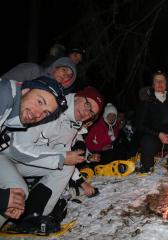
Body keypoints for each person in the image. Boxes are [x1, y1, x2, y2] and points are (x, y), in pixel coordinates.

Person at [6, 86, 104, 232]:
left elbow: (65, 156)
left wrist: (82, 182)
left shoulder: (72, 126)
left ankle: (35, 216)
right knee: (18, 194)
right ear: (77, 96)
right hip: (8, 156)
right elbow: (19, 147)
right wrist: (63, 157)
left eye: (92, 113)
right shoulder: (51, 106)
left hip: (24, 162)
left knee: (66, 166)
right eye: (88, 105)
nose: (87, 113)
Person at [0, 76, 67, 228]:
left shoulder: (11, 116)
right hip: (10, 157)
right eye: (39, 101)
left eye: (45, 113)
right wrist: (2, 199)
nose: (37, 114)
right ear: (26, 89)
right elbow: (20, 149)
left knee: (18, 193)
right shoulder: (3, 95)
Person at [137, 71, 168, 174]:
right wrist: (159, 134)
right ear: (153, 85)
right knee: (146, 140)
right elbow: (140, 125)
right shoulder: (147, 101)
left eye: (162, 81)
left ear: (166, 84)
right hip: (154, 137)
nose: (160, 83)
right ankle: (147, 166)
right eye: (157, 81)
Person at [2, 57, 77, 92]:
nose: (65, 75)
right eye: (64, 70)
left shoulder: (56, 96)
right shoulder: (34, 70)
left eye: (68, 76)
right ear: (55, 68)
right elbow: (4, 83)